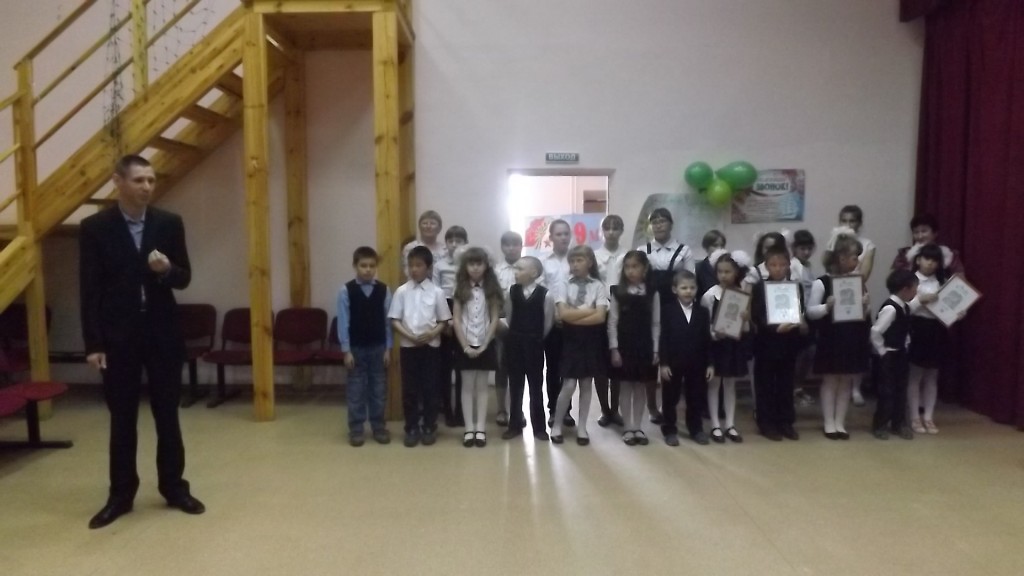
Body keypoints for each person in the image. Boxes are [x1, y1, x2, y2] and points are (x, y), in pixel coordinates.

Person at [79, 154, 204, 530]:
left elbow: (184, 277)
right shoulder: (95, 228)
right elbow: (89, 289)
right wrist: (93, 344)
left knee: (168, 415)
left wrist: (166, 270)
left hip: (162, 334)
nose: (147, 187)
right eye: (139, 180)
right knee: (122, 420)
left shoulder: (169, 223)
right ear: (118, 182)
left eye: (151, 180)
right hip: (118, 338)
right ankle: (120, 495)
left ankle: (174, 488)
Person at [805, 237, 871, 440]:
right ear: (841, 258)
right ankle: (829, 422)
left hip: (852, 336)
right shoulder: (822, 282)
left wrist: (865, 305)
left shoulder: (857, 282)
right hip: (831, 337)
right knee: (831, 380)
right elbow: (810, 312)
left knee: (846, 381)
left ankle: (840, 422)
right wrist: (827, 307)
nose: (857, 261)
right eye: (854, 257)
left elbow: (864, 314)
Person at [389, 246, 452, 447]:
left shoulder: (437, 292)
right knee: (410, 389)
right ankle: (411, 427)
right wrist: (409, 335)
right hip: (408, 347)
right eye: (411, 265)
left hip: (431, 347)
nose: (414, 269)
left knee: (430, 388)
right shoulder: (401, 291)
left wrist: (432, 333)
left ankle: (429, 426)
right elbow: (394, 320)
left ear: (429, 268)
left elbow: (444, 320)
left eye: (419, 265)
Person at [638, 208, 695, 425]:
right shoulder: (643, 250)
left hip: (675, 309)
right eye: (655, 222)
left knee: (673, 358)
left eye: (663, 221)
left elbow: (690, 280)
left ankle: (668, 405)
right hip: (649, 309)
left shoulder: (684, 250)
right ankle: (652, 407)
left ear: (671, 224)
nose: (659, 225)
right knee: (650, 360)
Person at [550, 246, 609, 446]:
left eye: (579, 260)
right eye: (572, 261)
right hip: (570, 339)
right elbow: (563, 315)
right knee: (568, 384)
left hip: (591, 340)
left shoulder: (598, 285)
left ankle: (582, 427)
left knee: (586, 384)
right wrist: (590, 311)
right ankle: (557, 424)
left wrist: (574, 316)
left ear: (590, 262)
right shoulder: (563, 284)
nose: (575, 265)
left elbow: (600, 317)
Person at [336, 246, 393, 447]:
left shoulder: (384, 290)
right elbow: (343, 322)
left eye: (372, 266)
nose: (368, 269)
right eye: (363, 265)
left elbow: (388, 322)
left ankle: (379, 426)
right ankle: (356, 429)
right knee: (356, 390)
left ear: (376, 267)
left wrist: (388, 348)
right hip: (356, 349)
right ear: (355, 266)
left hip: (378, 348)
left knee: (379, 389)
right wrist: (346, 351)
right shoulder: (346, 291)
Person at [750, 246, 807, 441]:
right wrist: (774, 328)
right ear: (766, 266)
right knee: (765, 383)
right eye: (773, 265)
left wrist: (797, 322)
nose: (778, 268)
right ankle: (766, 423)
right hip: (766, 343)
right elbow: (757, 315)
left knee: (786, 383)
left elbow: (800, 310)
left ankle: (786, 422)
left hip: (789, 342)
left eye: (782, 264)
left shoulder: (796, 287)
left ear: (788, 265)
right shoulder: (760, 287)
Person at [452, 247, 504, 448]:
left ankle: (480, 428)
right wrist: (465, 346)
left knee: (482, 387)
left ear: (486, 266)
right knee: (466, 387)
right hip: (464, 342)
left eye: (479, 263)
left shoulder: (491, 289)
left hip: (485, 343)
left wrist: (485, 344)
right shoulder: (459, 289)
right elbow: (456, 319)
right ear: (465, 266)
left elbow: (494, 319)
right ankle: (469, 429)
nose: (475, 268)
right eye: (471, 264)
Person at [608, 250, 660, 446]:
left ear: (644, 268)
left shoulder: (652, 292)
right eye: (627, 267)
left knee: (640, 386)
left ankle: (638, 426)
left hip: (645, 345)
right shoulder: (617, 292)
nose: (630, 271)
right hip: (624, 345)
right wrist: (614, 348)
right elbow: (612, 322)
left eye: (635, 266)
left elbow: (656, 323)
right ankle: (628, 427)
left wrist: (656, 349)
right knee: (626, 386)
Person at [870, 269, 928, 440]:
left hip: (901, 354)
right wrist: (882, 351)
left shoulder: (905, 307)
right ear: (905, 289)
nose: (916, 292)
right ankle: (880, 424)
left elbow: (905, 329)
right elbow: (875, 332)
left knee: (901, 391)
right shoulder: (891, 308)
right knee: (886, 392)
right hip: (888, 356)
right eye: (915, 288)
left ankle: (898, 423)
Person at [502, 256, 555, 441]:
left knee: (535, 387)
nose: (516, 272)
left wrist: (536, 338)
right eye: (515, 269)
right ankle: (514, 424)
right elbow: (509, 316)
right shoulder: (511, 292)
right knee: (515, 386)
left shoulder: (545, 294)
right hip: (515, 343)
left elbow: (548, 321)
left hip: (534, 344)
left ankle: (539, 428)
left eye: (520, 269)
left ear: (533, 273)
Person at [658, 270, 713, 446]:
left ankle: (696, 429)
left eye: (692, 287)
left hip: (697, 362)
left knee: (696, 397)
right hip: (673, 362)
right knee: (670, 397)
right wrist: (663, 363)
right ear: (675, 289)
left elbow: (707, 339)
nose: (688, 291)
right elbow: (663, 338)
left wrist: (710, 364)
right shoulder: (667, 310)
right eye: (684, 288)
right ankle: (669, 429)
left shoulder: (702, 312)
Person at [701, 252, 750, 444]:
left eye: (727, 272)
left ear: (736, 272)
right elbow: (703, 324)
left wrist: (745, 320)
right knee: (714, 384)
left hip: (733, 345)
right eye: (720, 272)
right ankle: (715, 424)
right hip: (715, 346)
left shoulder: (741, 294)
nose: (723, 275)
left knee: (730, 384)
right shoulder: (710, 295)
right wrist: (715, 334)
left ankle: (730, 423)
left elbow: (745, 328)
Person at [907, 244, 949, 434]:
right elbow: (904, 307)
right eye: (927, 258)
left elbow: (949, 307)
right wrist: (922, 300)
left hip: (936, 329)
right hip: (917, 327)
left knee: (932, 375)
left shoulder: (943, 281)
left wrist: (957, 311)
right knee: (915, 375)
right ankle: (914, 417)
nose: (931, 263)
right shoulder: (911, 280)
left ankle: (929, 417)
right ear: (918, 260)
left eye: (935, 260)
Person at [539, 219, 575, 428]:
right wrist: (554, 314)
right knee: (552, 368)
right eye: (558, 234)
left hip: (574, 320)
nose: (563, 237)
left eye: (566, 234)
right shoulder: (544, 262)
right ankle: (553, 409)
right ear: (551, 237)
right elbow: (542, 292)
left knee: (569, 369)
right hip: (551, 321)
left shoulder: (576, 259)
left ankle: (566, 411)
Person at [593, 214, 625, 428]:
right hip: (599, 313)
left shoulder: (628, 254)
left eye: (616, 228)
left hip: (623, 313)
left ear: (621, 231)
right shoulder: (595, 256)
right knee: (600, 365)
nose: (611, 232)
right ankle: (604, 410)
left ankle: (615, 409)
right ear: (602, 231)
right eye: (608, 228)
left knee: (618, 364)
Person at [435, 225, 468, 427]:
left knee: (462, 366)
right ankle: (447, 409)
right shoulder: (439, 265)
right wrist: (445, 320)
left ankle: (461, 411)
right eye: (450, 241)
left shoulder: (470, 264)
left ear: (466, 243)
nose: (454, 244)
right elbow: (435, 293)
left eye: (459, 241)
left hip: (465, 311)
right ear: (446, 243)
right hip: (445, 309)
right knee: (445, 367)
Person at [493, 231, 523, 427]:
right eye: (507, 245)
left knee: (519, 369)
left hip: (523, 325)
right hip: (501, 324)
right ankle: (501, 409)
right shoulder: (495, 271)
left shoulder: (528, 268)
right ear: (502, 247)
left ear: (521, 246)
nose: (511, 248)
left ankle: (517, 410)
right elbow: (491, 298)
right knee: (501, 367)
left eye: (515, 244)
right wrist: (496, 321)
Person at [790, 230, 817, 408]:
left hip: (809, 315)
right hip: (799, 316)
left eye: (809, 248)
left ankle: (798, 387)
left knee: (808, 354)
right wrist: (801, 319)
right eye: (802, 248)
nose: (806, 252)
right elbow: (794, 294)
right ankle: (793, 389)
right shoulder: (793, 266)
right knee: (799, 356)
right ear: (794, 248)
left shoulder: (807, 266)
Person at [890, 213, 965, 275]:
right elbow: (894, 280)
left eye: (924, 231)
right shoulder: (904, 255)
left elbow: (960, 280)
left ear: (935, 233)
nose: (920, 236)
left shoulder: (949, 255)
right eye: (916, 232)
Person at [822, 205, 876, 281]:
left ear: (859, 223)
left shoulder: (868, 245)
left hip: (856, 284)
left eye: (852, 221)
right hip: (834, 283)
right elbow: (828, 267)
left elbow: (864, 276)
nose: (848, 225)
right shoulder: (834, 241)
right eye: (844, 221)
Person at [401, 210, 446, 277]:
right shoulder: (411, 247)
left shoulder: (445, 249)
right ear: (419, 227)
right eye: (424, 223)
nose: (428, 226)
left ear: (439, 228)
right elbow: (408, 271)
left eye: (433, 223)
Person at [696, 229, 726, 301]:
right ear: (706, 247)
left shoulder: (729, 266)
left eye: (722, 246)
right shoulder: (699, 268)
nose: (719, 249)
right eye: (715, 245)